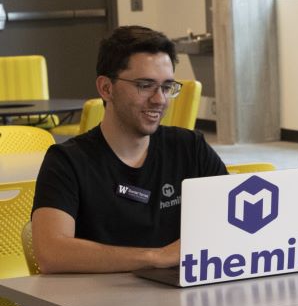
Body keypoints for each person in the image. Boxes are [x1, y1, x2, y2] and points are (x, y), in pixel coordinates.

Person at [31, 26, 228, 274]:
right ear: (106, 88)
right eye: (145, 85)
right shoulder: (67, 161)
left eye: (167, 87)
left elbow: (231, 224)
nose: (160, 100)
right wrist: (156, 257)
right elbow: (51, 253)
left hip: (179, 301)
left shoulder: (190, 148)